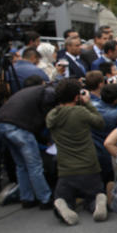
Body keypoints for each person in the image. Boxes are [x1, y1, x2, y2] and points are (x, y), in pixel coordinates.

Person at [45, 79, 108, 225]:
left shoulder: (52, 116)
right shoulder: (81, 112)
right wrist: (88, 103)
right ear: (76, 97)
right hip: (89, 167)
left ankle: (63, 204)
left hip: (66, 170)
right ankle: (97, 200)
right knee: (92, 194)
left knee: (65, 198)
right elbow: (100, 122)